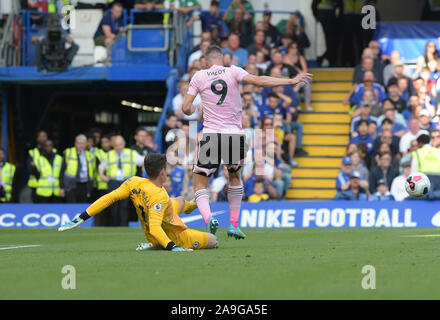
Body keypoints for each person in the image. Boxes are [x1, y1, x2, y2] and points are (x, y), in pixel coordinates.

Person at [182, 44, 312, 239]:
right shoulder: (233, 71)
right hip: (235, 135)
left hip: (212, 135)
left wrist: (197, 110)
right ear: (222, 59)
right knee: (235, 177)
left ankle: (209, 219)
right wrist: (291, 80)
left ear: (206, 61)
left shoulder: (199, 76)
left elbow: (185, 108)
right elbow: (259, 80)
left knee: (199, 184)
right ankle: (234, 224)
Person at [59, 153, 217, 252]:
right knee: (213, 240)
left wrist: (82, 216)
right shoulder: (159, 195)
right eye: (166, 169)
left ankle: (193, 205)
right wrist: (172, 247)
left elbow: (108, 198)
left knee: (179, 201)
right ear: (162, 172)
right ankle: (159, 245)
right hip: (174, 237)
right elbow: (156, 229)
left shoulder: (134, 182)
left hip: (160, 218)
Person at [98, 135, 145, 226]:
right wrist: (103, 176)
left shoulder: (132, 153)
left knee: (124, 206)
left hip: (127, 182)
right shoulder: (109, 155)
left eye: (120, 144)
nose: (118, 147)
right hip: (113, 182)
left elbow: (144, 161)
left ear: (124, 144)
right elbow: (100, 167)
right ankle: (114, 226)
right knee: (113, 206)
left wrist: (142, 173)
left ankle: (124, 226)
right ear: (113, 145)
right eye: (116, 145)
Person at [60, 134, 96, 203]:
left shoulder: (90, 155)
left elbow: (93, 170)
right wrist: (62, 187)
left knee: (82, 207)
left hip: (85, 185)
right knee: (71, 207)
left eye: (83, 143)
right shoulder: (68, 152)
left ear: (86, 144)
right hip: (71, 185)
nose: (81, 145)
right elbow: (62, 171)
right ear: (75, 143)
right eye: (79, 143)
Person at [311, 0, 341, 67]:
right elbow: (314, 5)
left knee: (334, 41)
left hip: (333, 19)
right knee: (330, 41)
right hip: (324, 18)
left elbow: (338, 4)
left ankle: (323, 58)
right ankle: (331, 61)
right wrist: (317, 17)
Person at [27, 130, 49, 203]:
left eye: (44, 136)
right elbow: (30, 169)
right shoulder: (32, 152)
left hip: (49, 187)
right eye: (41, 136)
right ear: (37, 138)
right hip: (35, 185)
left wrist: (36, 165)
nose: (43, 138)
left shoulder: (53, 152)